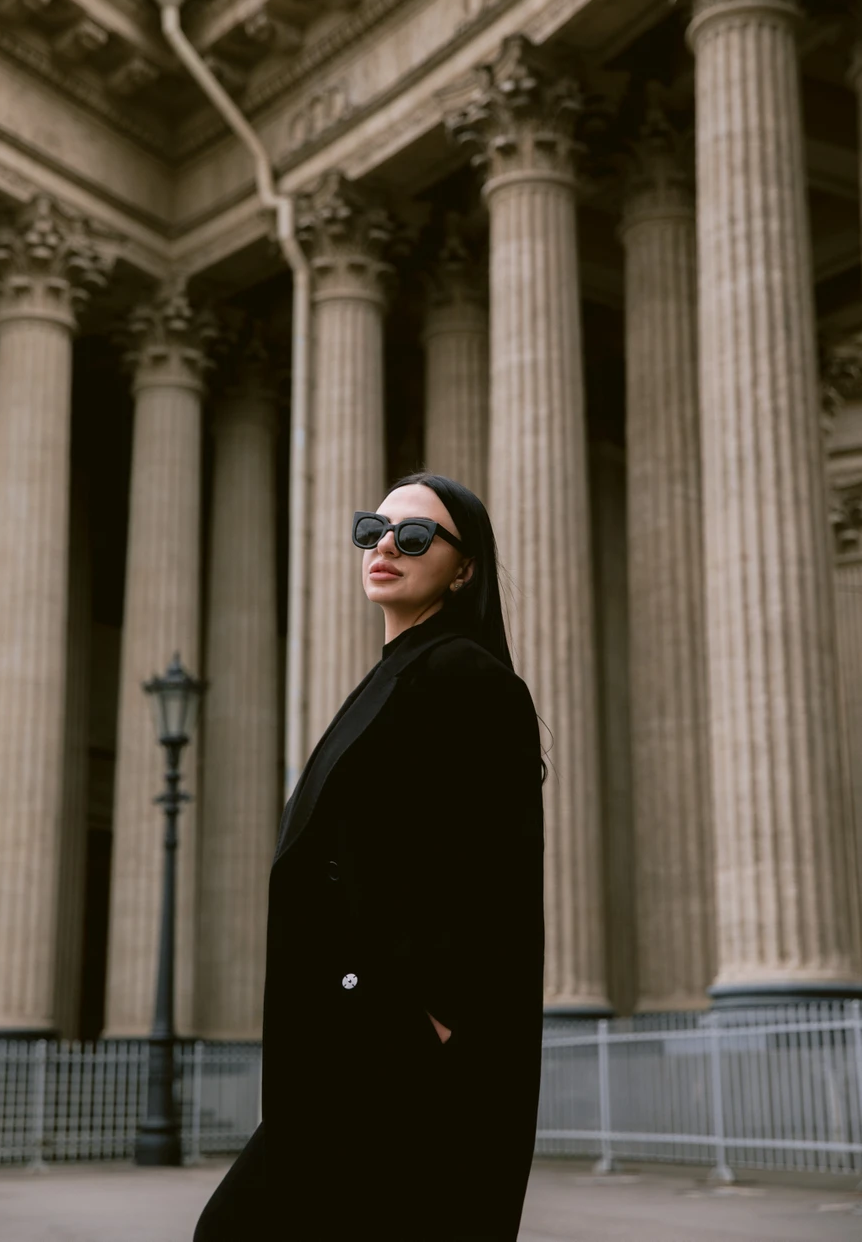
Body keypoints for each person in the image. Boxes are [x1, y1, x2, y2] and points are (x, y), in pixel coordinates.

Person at [194, 471, 546, 1241]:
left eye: (413, 536)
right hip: (340, 1038)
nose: (385, 546)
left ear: (464, 568)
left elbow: (493, 868)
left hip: (387, 1042)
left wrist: (433, 1018)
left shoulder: (466, 676)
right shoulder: (392, 677)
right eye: (371, 530)